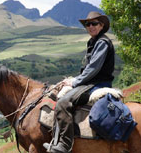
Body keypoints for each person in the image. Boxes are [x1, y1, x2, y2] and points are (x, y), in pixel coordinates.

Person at [43, 11, 115, 153]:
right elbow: (88, 69)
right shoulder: (93, 42)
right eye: (88, 24)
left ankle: (64, 145)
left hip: (97, 83)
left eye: (94, 23)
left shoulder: (102, 42)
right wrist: (72, 80)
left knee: (63, 102)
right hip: (90, 81)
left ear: (101, 25)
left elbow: (93, 69)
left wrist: (75, 82)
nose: (90, 26)